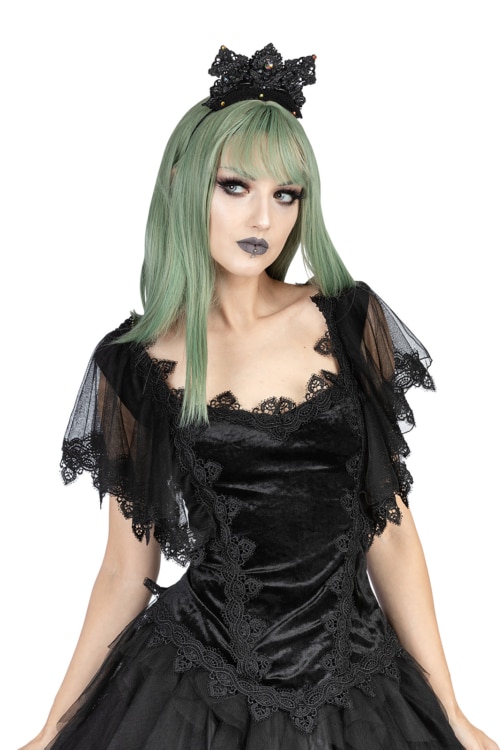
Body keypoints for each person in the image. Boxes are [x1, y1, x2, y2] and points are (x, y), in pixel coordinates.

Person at [19, 43, 497, 750]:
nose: (264, 220)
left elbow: (392, 532)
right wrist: (51, 729)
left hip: (359, 686)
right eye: (236, 186)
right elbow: (125, 568)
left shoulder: (349, 320)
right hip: (197, 687)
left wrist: (451, 711)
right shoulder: (133, 364)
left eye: (285, 194)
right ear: (184, 184)